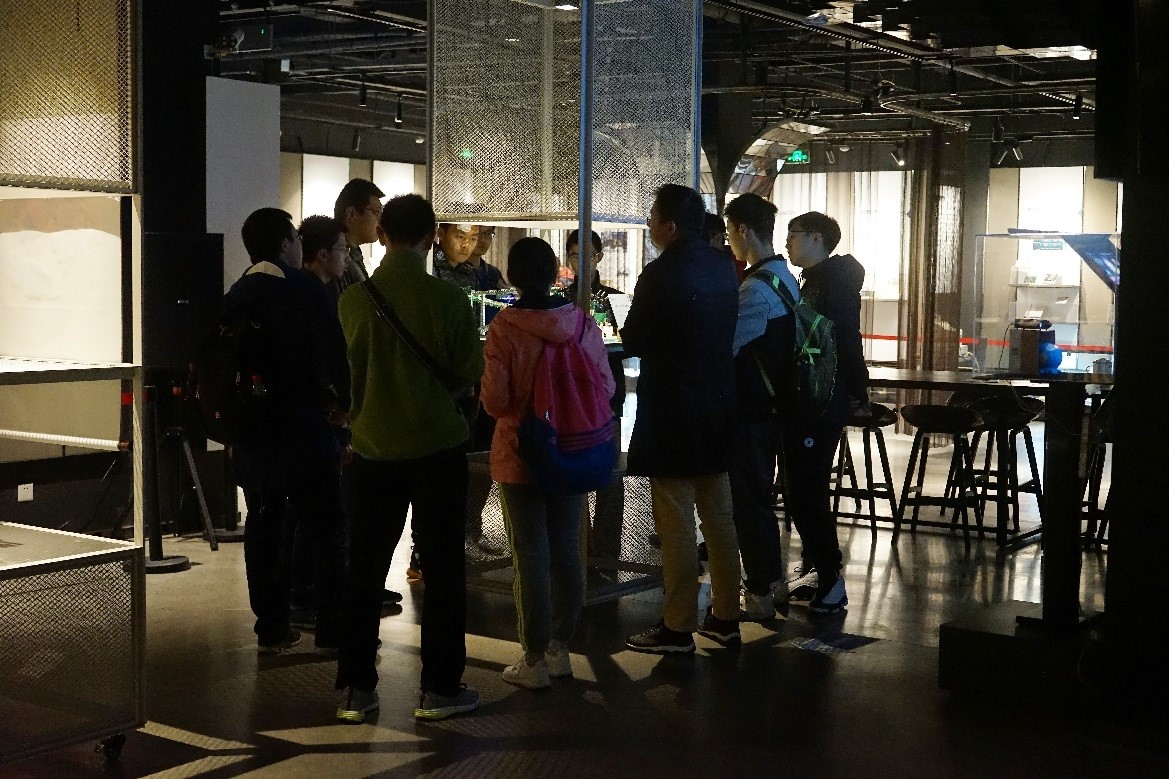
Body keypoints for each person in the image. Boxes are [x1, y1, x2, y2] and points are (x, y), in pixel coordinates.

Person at [334, 194, 484, 723]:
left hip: (374, 447)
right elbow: (469, 372)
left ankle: (356, 689)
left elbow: (348, 375)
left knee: (365, 567)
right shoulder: (450, 300)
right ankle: (440, 689)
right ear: (430, 238)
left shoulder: (353, 301)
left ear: (382, 236)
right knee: (442, 568)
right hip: (438, 447)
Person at [480, 237, 615, 688]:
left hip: (521, 453)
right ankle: (561, 649)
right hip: (573, 450)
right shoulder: (581, 322)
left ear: (512, 276)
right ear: (555, 269)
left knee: (530, 555)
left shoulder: (504, 327)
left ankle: (533, 658)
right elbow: (606, 387)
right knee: (567, 550)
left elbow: (496, 401)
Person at [621, 184, 742, 653]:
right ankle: (726, 616)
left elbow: (633, 339)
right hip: (717, 407)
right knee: (719, 519)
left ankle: (677, 626)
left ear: (669, 226)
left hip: (672, 410)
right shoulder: (723, 265)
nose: (650, 225)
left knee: (675, 525)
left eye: (652, 218)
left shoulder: (660, 273)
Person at [227, 208, 346, 656]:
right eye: (295, 239)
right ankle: (333, 628)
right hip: (305, 433)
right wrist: (344, 405)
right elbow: (334, 354)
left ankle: (272, 627)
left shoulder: (237, 293)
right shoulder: (304, 289)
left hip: (253, 438)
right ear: (283, 244)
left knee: (263, 530)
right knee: (327, 529)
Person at [295, 216, 403, 615]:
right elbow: (330, 356)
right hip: (323, 415)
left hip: (326, 413)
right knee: (324, 511)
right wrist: (343, 406)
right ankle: (315, 593)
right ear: (323, 255)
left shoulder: (324, 291)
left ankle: (339, 588)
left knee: (331, 510)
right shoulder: (316, 295)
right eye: (342, 250)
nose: (346, 256)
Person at [782, 210, 868, 614]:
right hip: (810, 398)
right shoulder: (812, 280)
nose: (787, 242)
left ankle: (832, 580)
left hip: (821, 400)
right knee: (800, 489)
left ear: (817, 238)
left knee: (806, 490)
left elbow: (848, 337)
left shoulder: (834, 283)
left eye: (793, 234)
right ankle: (820, 573)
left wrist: (857, 390)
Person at [723, 194, 798, 621]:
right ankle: (771, 583)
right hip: (773, 407)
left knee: (747, 502)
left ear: (743, 231)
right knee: (759, 499)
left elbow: (726, 347)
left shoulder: (755, 290)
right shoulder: (784, 278)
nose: (729, 241)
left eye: (730, 232)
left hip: (751, 411)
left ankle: (759, 591)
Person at [562, 229, 627, 563]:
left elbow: (626, 346)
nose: (581, 261)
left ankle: (606, 552)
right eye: (575, 255)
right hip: (570, 397)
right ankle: (578, 550)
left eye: (587, 255)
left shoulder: (616, 299)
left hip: (606, 397)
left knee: (610, 476)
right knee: (572, 475)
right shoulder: (559, 299)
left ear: (599, 257)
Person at [331, 178, 385, 301]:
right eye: (376, 213)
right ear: (351, 214)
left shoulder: (352, 253)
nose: (380, 221)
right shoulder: (336, 259)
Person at [432, 222, 481, 288]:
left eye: (473, 238)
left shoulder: (469, 270)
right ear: (441, 234)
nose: (466, 245)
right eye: (460, 237)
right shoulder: (429, 265)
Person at [465, 225, 506, 290]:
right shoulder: (454, 269)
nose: (483, 240)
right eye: (477, 234)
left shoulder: (493, 272)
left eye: (488, 234)